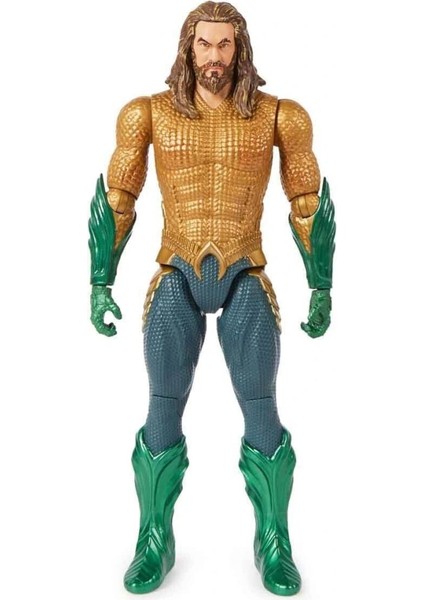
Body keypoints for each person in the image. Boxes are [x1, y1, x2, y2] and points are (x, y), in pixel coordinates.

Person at [89, 1, 335, 595]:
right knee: (162, 407)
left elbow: (306, 203)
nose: (215, 56)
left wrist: (321, 285)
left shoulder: (280, 116)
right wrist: (100, 281)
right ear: (188, 47)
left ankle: (273, 540)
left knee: (262, 409)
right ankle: (154, 537)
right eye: (205, 44)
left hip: (245, 272)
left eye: (225, 44)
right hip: (175, 271)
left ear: (239, 48)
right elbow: (119, 197)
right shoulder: (147, 114)